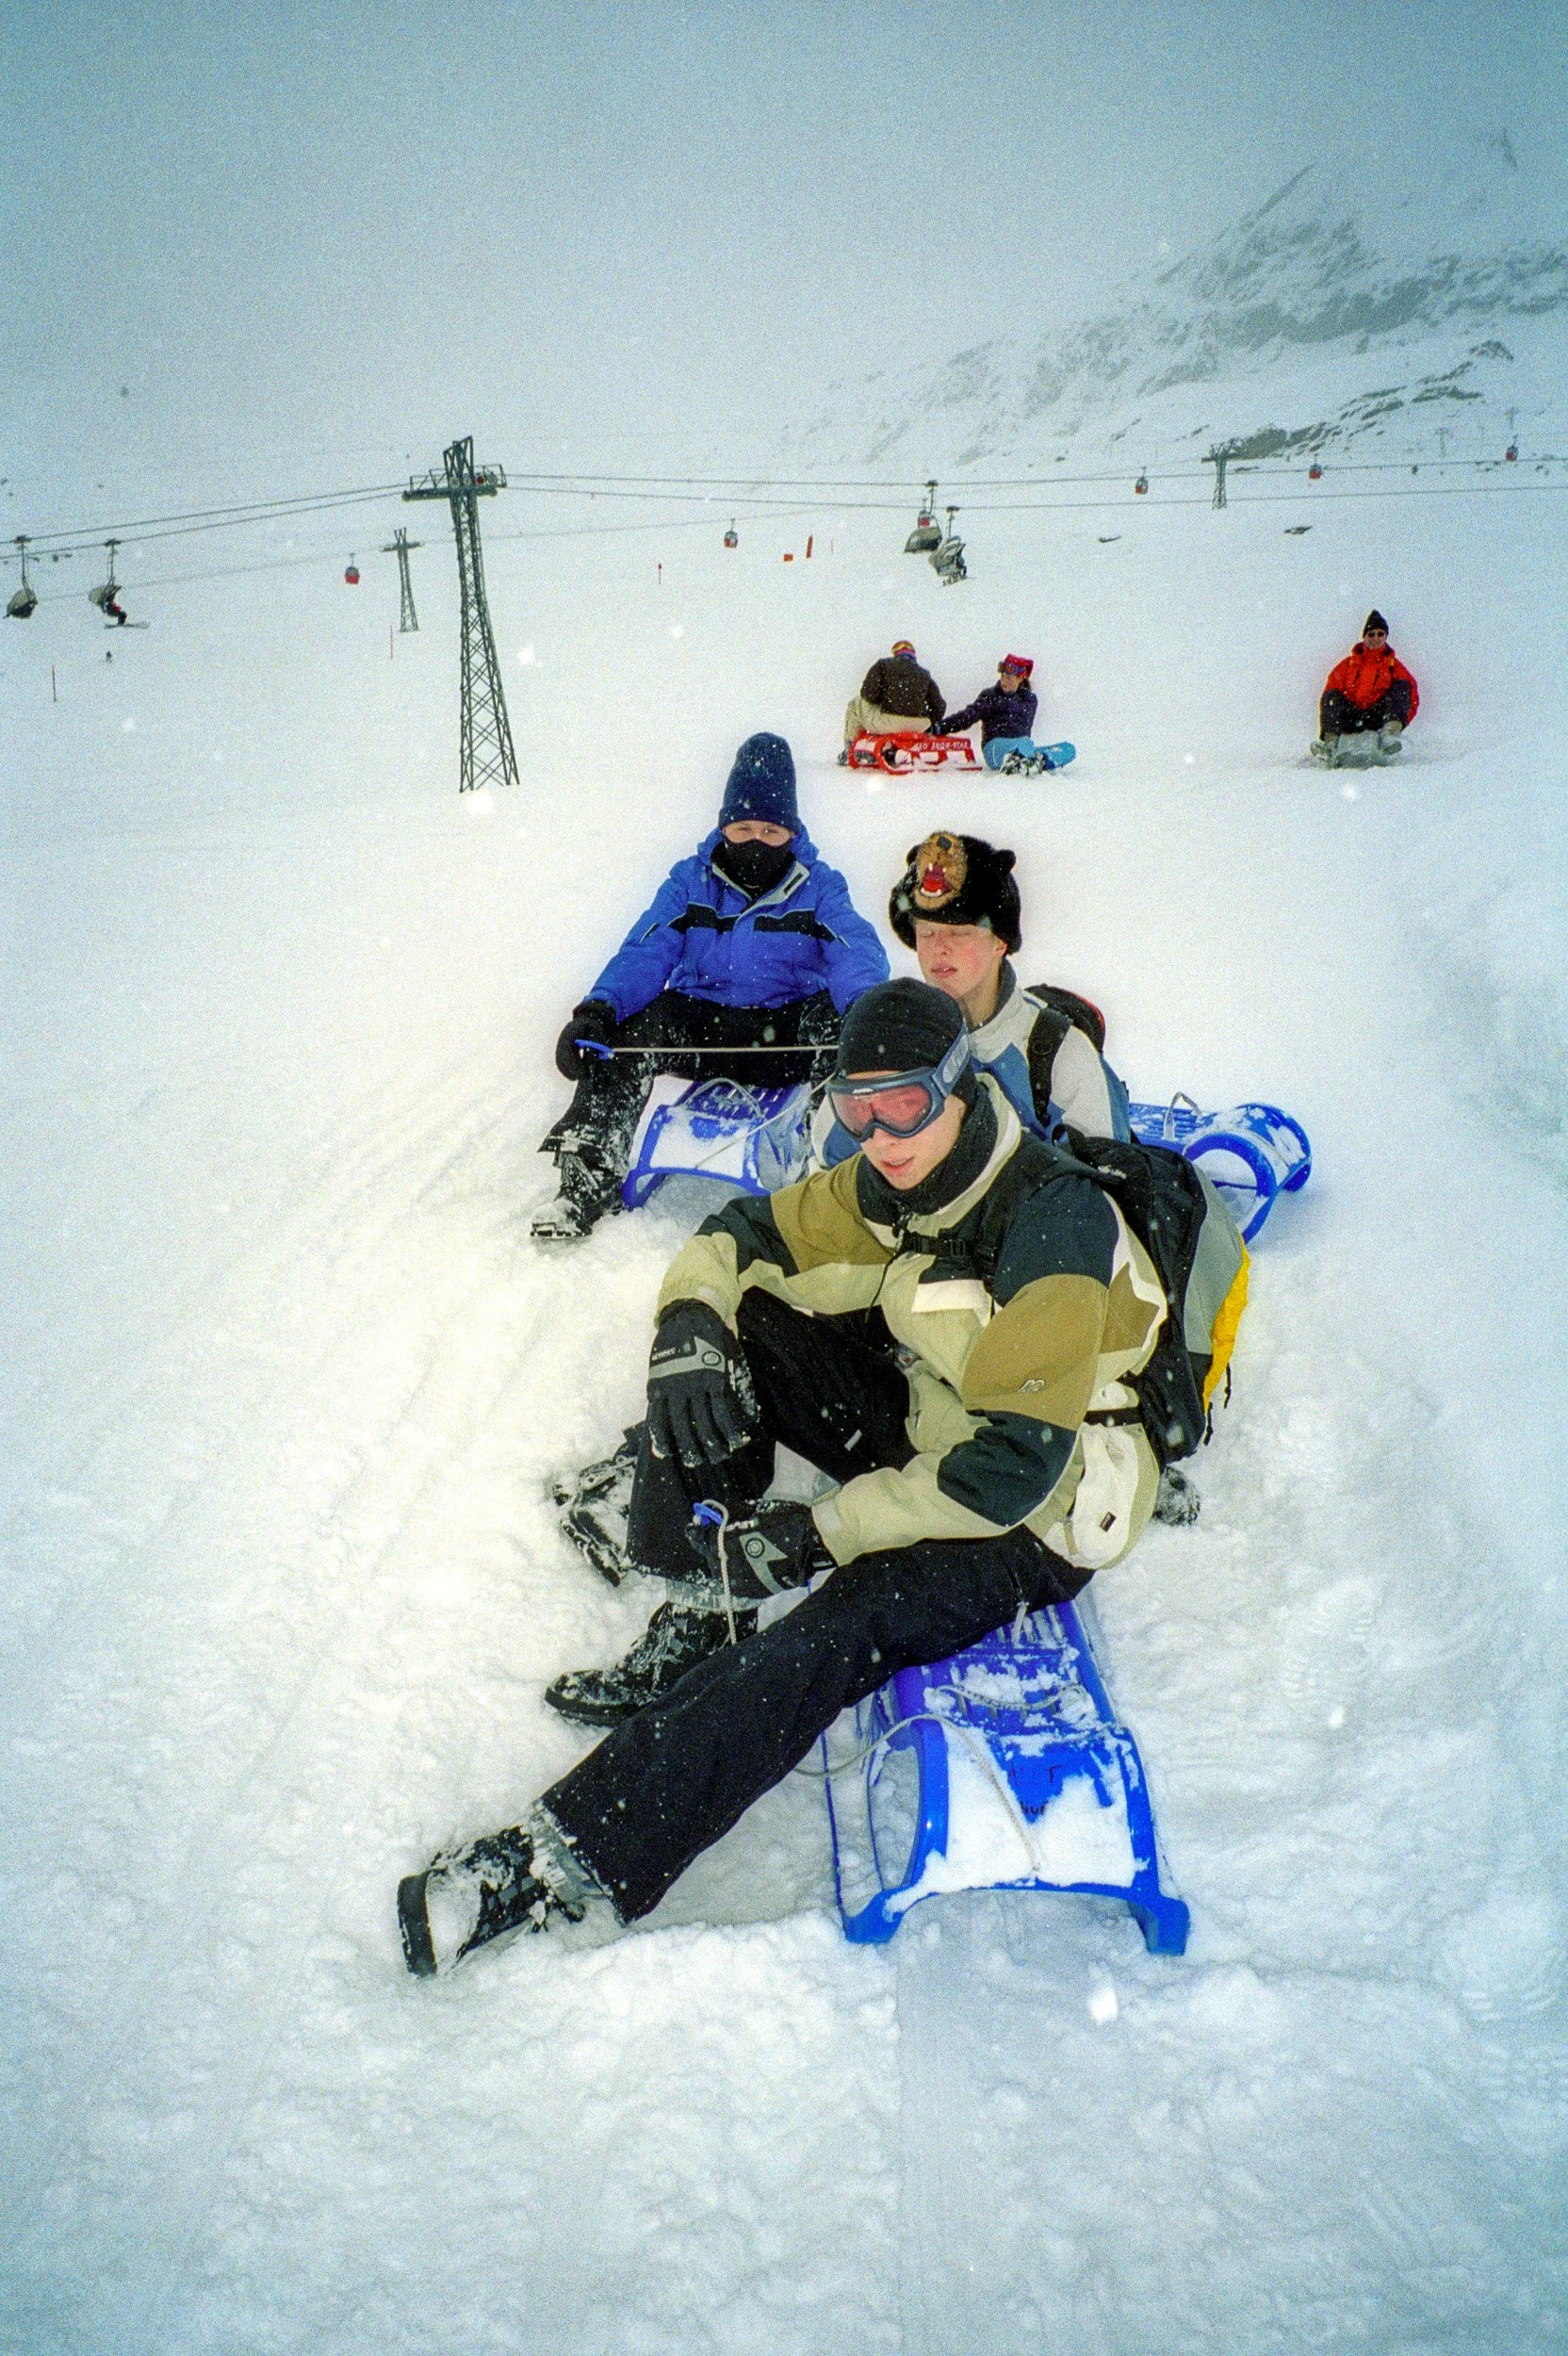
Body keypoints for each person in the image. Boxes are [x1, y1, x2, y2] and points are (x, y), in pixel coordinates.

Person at [400, 978, 1209, 1976]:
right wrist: (687, 1323)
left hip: (1040, 1503)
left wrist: (819, 1533)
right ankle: (704, 1599)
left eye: (903, 1101)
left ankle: (572, 1855)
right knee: (740, 1331)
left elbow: (1008, 1468)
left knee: (841, 1625)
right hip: (937, 1428)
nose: (877, 1132)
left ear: (957, 1085)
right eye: (854, 1105)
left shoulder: (1052, 1217)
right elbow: (740, 1234)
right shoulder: (891, 1178)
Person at [534, 732, 888, 1240]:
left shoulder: (819, 885)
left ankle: (831, 1177)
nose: (755, 841)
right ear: (724, 826)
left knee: (846, 1037)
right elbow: (647, 949)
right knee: (631, 1031)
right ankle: (586, 1180)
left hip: (782, 1031)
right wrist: (599, 1009)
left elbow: (853, 950)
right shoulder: (690, 880)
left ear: (790, 831)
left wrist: (866, 1011)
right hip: (704, 1025)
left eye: (770, 830)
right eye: (742, 827)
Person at [813, 831, 1129, 1167]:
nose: (939, 949)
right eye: (926, 932)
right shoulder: (889, 1039)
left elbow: (1105, 1183)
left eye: (960, 933)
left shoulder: (1055, 1052)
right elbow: (827, 1166)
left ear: (1000, 943)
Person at [1318, 611, 1419, 755]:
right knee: (1332, 696)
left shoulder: (1394, 666)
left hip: (1378, 717)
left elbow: (1412, 698)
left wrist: (1401, 722)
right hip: (1351, 717)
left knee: (1402, 686)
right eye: (1371, 634)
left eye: (1380, 634)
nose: (1375, 638)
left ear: (1386, 637)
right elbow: (1328, 696)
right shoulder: (1348, 665)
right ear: (1364, 637)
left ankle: (1389, 736)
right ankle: (1330, 743)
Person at [943, 654, 1057, 773]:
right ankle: (1029, 761)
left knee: (1068, 749)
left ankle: (1026, 762)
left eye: (1009, 678)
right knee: (1024, 743)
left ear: (1020, 678)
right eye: (1002, 676)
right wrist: (940, 727)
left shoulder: (1029, 699)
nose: (1004, 681)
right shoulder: (990, 696)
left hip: (1022, 746)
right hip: (995, 747)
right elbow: (968, 716)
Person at [841, 639, 946, 758]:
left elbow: (868, 694)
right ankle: (889, 749)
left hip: (891, 722)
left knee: (856, 703)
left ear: (895, 653)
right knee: (886, 716)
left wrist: (883, 701)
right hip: (919, 725)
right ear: (913, 655)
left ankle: (851, 750)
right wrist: (929, 719)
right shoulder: (924, 674)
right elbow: (939, 705)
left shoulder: (883, 665)